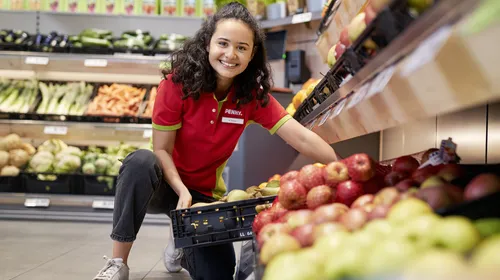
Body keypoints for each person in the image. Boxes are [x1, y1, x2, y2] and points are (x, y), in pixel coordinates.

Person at [92, 2, 339, 280]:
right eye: (223, 43)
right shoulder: (177, 84)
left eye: (241, 48)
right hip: (161, 184)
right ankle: (117, 263)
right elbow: (161, 149)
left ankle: (179, 246)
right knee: (140, 161)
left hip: (204, 197)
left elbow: (302, 138)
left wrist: (340, 168)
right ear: (208, 43)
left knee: (218, 275)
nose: (230, 55)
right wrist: (181, 191)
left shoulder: (250, 96)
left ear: (252, 54)